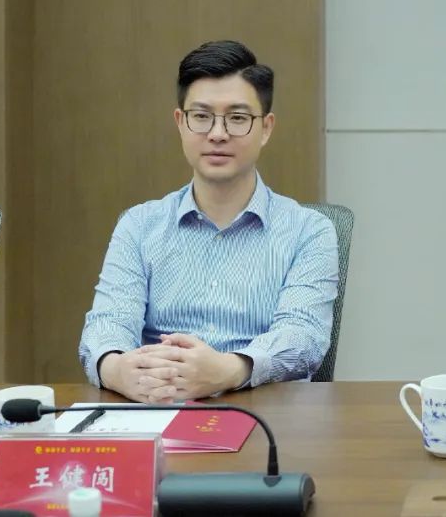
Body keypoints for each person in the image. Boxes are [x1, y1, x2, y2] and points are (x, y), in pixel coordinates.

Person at [78, 40, 340, 403]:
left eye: (237, 118)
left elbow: (304, 336)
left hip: (266, 414)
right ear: (180, 123)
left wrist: (228, 369)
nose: (217, 133)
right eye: (201, 116)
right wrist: (116, 368)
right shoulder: (139, 225)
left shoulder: (309, 231)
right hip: (158, 407)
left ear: (266, 128)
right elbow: (108, 323)